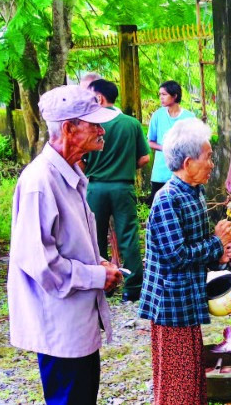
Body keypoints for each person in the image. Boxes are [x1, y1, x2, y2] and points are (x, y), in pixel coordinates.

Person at [8, 85, 123, 404]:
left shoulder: (70, 173)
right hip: (59, 327)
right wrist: (96, 276)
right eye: (94, 124)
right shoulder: (40, 182)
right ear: (69, 129)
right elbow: (40, 262)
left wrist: (98, 262)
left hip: (77, 323)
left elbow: (71, 242)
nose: (102, 131)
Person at [138, 118, 231, 404]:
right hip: (171, 303)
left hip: (188, 300)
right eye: (207, 158)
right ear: (188, 162)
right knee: (176, 382)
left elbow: (199, 248)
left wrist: (220, 255)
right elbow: (177, 255)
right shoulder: (167, 199)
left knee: (193, 375)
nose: (211, 164)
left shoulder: (194, 193)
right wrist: (215, 242)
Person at [83, 79, 150, 302]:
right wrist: (126, 166)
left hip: (96, 188)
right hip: (123, 187)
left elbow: (81, 160)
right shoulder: (131, 124)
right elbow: (144, 157)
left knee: (95, 237)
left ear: (100, 98)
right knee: (128, 236)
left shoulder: (89, 123)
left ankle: (104, 285)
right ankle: (133, 288)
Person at [148, 80, 196, 205]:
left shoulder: (189, 117)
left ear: (174, 95)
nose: (161, 98)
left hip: (182, 172)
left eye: (164, 94)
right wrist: (165, 148)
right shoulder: (157, 116)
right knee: (158, 206)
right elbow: (150, 142)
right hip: (160, 173)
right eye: (160, 95)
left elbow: (194, 143)